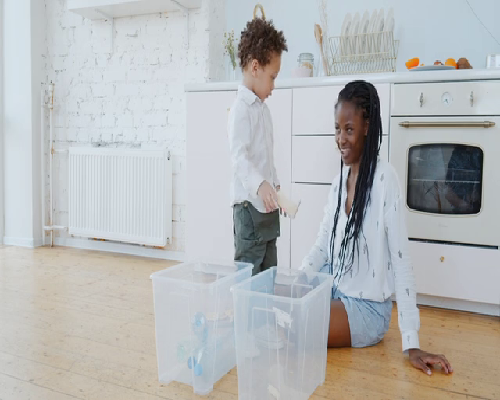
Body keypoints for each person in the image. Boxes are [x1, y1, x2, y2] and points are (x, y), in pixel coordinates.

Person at [300, 80, 453, 376]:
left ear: (367, 128)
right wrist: (298, 281)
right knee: (277, 298)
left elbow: (401, 261)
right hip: (334, 288)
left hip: (366, 309)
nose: (341, 139)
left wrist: (411, 342)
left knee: (298, 323)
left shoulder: (385, 180)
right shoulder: (338, 183)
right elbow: (322, 246)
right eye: (337, 129)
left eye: (349, 129)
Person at [228, 18, 288, 276]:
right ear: (255, 67)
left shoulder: (263, 111)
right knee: (249, 273)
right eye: (272, 77)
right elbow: (239, 158)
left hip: (266, 209)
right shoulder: (241, 109)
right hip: (249, 210)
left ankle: (265, 301)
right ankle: (248, 303)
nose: (273, 86)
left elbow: (266, 157)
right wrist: (260, 184)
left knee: (268, 271)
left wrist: (275, 187)